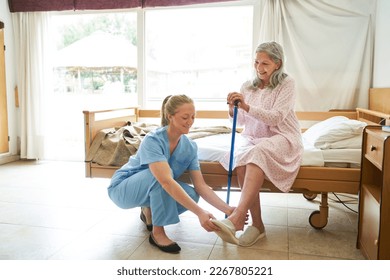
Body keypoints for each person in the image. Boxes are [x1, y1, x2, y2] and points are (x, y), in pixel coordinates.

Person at [107, 94, 235, 254]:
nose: (190, 122)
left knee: (192, 195)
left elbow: (201, 186)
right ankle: (157, 232)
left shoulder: (190, 147)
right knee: (161, 179)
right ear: (170, 117)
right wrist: (200, 213)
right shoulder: (153, 140)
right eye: (185, 117)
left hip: (152, 186)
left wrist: (229, 210)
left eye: (193, 117)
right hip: (123, 189)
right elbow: (166, 181)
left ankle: (149, 209)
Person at [211, 41, 304, 247]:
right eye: (256, 62)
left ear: (277, 64)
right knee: (244, 162)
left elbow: (276, 118)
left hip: (283, 136)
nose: (259, 68)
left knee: (255, 153)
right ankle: (258, 226)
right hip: (254, 138)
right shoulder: (248, 86)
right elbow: (242, 121)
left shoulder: (287, 83)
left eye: (265, 64)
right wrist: (232, 108)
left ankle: (237, 218)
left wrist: (246, 105)